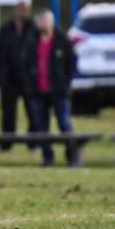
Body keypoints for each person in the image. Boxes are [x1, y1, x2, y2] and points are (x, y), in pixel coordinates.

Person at [22, 10, 77, 167]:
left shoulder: (62, 41)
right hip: (38, 91)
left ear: (52, 22)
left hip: (59, 91)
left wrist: (66, 82)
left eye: (47, 20)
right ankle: (48, 158)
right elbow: (24, 64)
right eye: (42, 21)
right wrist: (29, 84)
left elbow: (71, 63)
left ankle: (72, 156)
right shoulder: (32, 41)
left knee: (64, 123)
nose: (45, 24)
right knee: (42, 127)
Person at [0, 0, 37, 140]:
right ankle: (7, 141)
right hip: (9, 78)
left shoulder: (33, 31)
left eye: (25, 8)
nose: (22, 12)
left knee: (33, 111)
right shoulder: (5, 30)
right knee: (8, 112)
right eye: (20, 8)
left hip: (29, 78)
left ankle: (34, 141)